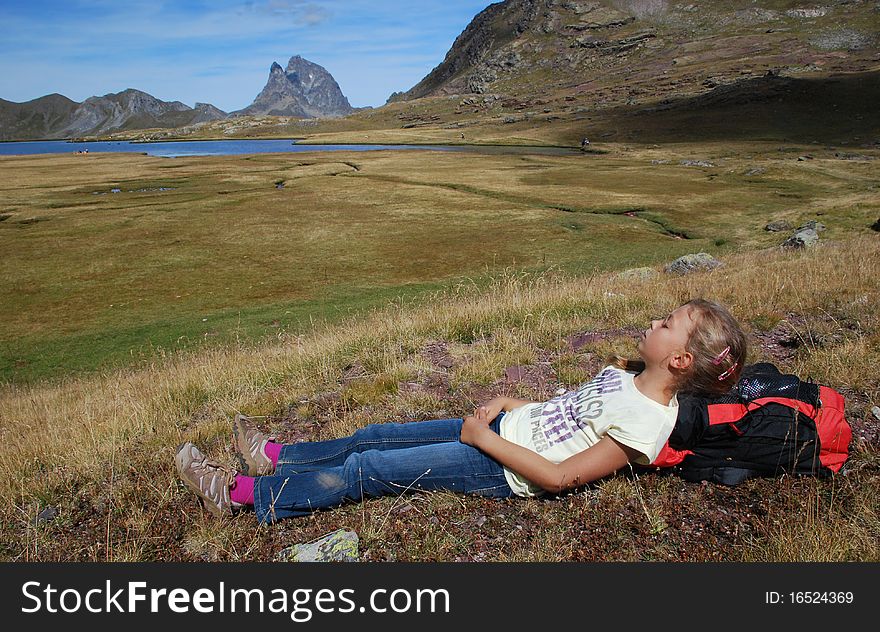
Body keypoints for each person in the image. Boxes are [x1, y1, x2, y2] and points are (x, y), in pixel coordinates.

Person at [175, 298, 747, 523]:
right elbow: (566, 414)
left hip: (499, 466)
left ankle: (245, 495)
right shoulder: (625, 376)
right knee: (375, 434)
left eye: (665, 324)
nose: (653, 321)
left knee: (367, 473)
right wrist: (507, 405)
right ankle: (276, 455)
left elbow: (558, 477)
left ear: (678, 360)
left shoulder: (648, 423)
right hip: (498, 430)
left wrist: (480, 440)